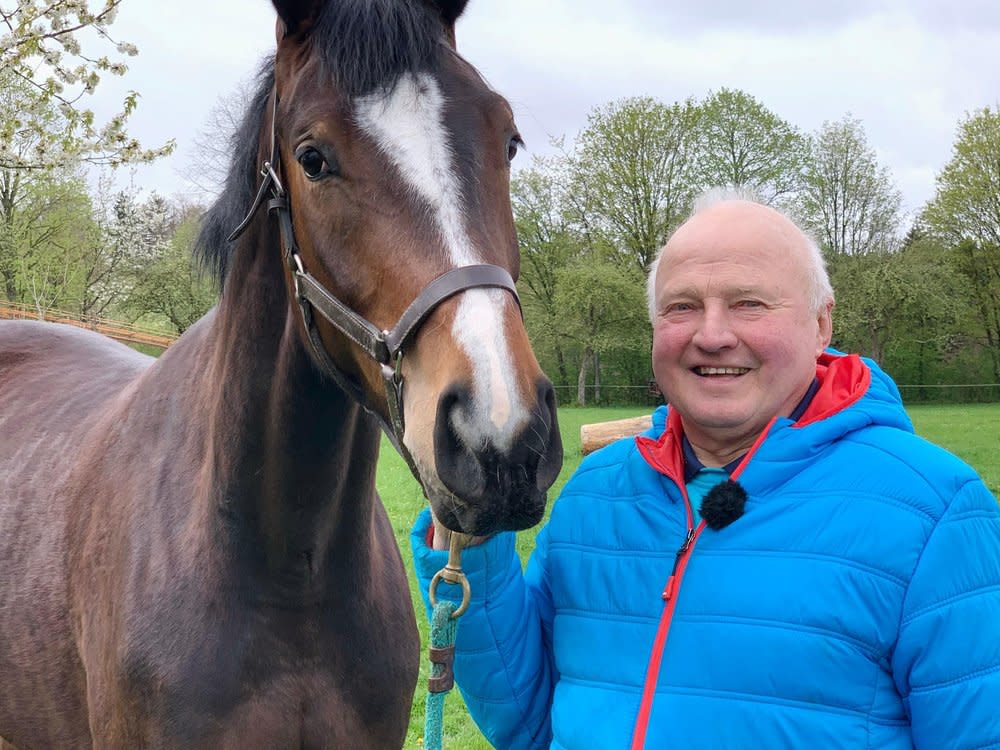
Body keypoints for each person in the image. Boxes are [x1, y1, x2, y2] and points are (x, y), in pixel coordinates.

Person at [410, 188, 1000, 749]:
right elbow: (531, 721)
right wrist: (474, 546)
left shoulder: (937, 514)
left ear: (822, 323)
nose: (712, 335)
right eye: (682, 307)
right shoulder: (598, 494)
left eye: (749, 303)